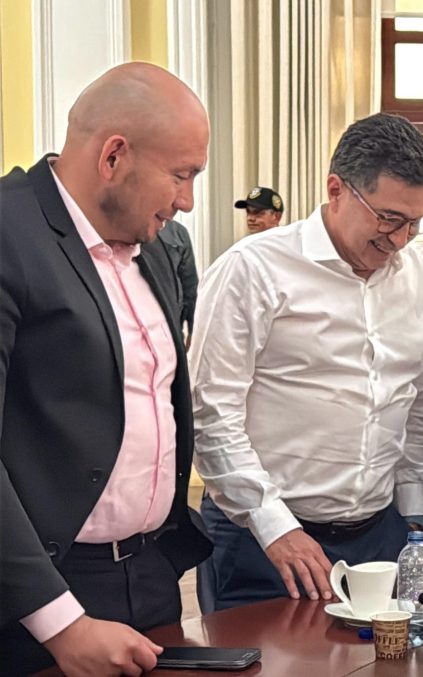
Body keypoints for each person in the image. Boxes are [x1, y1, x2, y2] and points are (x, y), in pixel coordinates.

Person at [0, 63, 212, 676]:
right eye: (181, 175)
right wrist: (60, 622)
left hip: (149, 577)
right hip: (36, 598)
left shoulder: (158, 248)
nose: (187, 201)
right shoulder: (9, 232)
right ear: (113, 155)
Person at [190, 113, 423, 610]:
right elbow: (211, 412)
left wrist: (412, 508)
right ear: (336, 189)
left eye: (417, 222)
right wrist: (274, 526)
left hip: (379, 534)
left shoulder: (413, 271)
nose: (400, 239)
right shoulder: (252, 269)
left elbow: (419, 399)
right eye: (389, 218)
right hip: (263, 537)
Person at [157, 219, 199, 346]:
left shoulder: (178, 232)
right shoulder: (177, 233)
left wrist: (193, 329)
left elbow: (190, 285)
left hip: (172, 325)